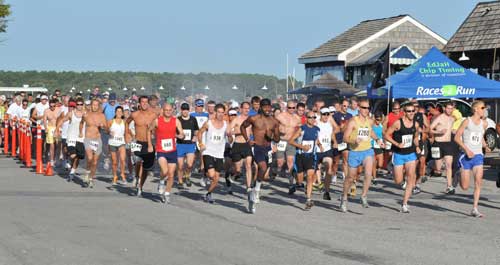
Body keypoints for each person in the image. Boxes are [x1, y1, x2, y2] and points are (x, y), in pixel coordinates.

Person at [341, 98, 382, 212]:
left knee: (368, 173)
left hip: (367, 150)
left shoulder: (370, 121)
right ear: (359, 108)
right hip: (354, 152)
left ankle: (363, 196)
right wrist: (354, 140)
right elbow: (345, 137)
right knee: (350, 178)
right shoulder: (353, 121)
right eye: (364, 108)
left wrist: (378, 140)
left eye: (368, 108)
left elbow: (370, 132)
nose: (366, 110)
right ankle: (344, 198)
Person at [241, 98, 280, 214]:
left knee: (264, 172)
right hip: (257, 147)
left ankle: (253, 193)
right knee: (262, 167)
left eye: (269, 107)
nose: (268, 109)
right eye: (265, 107)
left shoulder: (274, 122)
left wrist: (271, 136)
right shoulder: (254, 118)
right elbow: (242, 127)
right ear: (261, 108)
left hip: (267, 149)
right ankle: (256, 190)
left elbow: (278, 139)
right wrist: (248, 139)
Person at [454, 100, 489, 217]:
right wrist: (466, 150)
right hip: (465, 156)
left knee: (478, 182)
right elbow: (457, 138)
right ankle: (458, 175)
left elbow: (480, 137)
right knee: (464, 187)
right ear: (476, 109)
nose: (485, 110)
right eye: (483, 108)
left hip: (478, 155)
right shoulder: (466, 121)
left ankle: (475, 208)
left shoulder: (484, 124)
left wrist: (485, 145)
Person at [385, 102, 421, 213]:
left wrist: (417, 146)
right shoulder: (398, 123)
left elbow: (415, 137)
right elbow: (386, 135)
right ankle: (396, 174)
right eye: (409, 111)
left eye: (413, 111)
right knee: (398, 180)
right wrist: (396, 144)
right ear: (404, 112)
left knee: (411, 178)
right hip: (399, 154)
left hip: (410, 154)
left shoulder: (416, 124)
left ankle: (405, 203)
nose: (411, 113)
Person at [148, 103, 185, 203]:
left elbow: (182, 133)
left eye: (170, 110)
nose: (168, 112)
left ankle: (167, 193)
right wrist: (150, 145)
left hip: (172, 151)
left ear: (172, 110)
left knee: (171, 174)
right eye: (166, 110)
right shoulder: (157, 121)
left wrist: (180, 135)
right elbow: (149, 130)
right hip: (161, 150)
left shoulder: (176, 121)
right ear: (162, 111)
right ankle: (161, 182)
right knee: (165, 172)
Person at [289, 111, 322, 210]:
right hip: (300, 156)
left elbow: (316, 139)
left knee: (310, 176)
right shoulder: (302, 129)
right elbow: (290, 141)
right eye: (310, 117)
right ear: (306, 118)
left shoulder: (317, 129)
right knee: (300, 180)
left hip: (311, 156)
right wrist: (301, 147)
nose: (312, 119)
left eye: (314, 117)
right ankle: (297, 182)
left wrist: (320, 145)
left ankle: (308, 199)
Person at [125, 96, 158, 196]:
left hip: (148, 143)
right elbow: (126, 122)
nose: (144, 104)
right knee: (137, 162)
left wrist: (155, 135)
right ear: (139, 103)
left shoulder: (153, 115)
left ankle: (140, 187)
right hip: (137, 141)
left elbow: (158, 127)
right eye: (142, 102)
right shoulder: (135, 114)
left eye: (146, 102)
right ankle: (136, 176)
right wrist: (127, 134)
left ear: (148, 103)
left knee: (146, 167)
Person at [197, 103, 229, 203]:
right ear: (215, 112)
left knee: (216, 178)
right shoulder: (209, 123)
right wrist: (201, 143)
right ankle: (205, 175)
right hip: (208, 152)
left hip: (219, 153)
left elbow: (230, 139)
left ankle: (208, 193)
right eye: (218, 112)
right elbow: (200, 132)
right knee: (211, 175)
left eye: (222, 112)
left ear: (224, 113)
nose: (220, 114)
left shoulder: (226, 125)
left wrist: (230, 136)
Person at [275, 100, 302, 194]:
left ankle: (291, 184)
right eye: (289, 108)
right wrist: (279, 130)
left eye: (293, 108)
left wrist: (298, 135)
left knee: (290, 162)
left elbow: (300, 129)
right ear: (287, 108)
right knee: (280, 163)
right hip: (281, 141)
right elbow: (273, 126)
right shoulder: (280, 116)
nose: (291, 109)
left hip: (291, 142)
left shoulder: (297, 118)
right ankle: (278, 168)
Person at [79, 99, 107, 188]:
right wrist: (80, 132)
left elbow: (107, 129)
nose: (94, 106)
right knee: (90, 158)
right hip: (88, 139)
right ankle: (87, 173)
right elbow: (81, 122)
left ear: (98, 106)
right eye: (93, 105)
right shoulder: (86, 114)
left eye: (96, 105)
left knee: (95, 162)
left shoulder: (102, 116)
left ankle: (91, 178)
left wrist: (103, 126)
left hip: (97, 140)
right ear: (90, 105)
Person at [56, 97, 85, 182]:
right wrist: (57, 129)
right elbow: (62, 120)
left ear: (83, 105)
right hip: (71, 138)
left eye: (81, 104)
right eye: (78, 104)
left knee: (78, 157)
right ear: (76, 105)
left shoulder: (85, 114)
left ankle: (72, 172)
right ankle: (69, 162)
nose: (79, 106)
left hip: (80, 139)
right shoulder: (71, 113)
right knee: (73, 155)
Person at [227, 101, 254, 191]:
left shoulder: (251, 119)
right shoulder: (236, 119)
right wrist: (238, 132)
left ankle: (249, 187)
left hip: (247, 144)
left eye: (248, 108)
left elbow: (254, 131)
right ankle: (232, 174)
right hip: (237, 145)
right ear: (241, 109)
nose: (247, 110)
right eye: (245, 108)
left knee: (248, 166)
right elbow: (228, 131)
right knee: (238, 169)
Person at [430, 101, 455, 194]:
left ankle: (449, 186)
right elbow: (430, 128)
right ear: (444, 108)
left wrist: (453, 131)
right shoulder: (439, 118)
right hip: (438, 143)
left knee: (449, 165)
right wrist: (439, 132)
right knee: (438, 169)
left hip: (448, 144)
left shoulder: (452, 119)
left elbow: (450, 129)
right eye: (448, 108)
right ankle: (429, 167)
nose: (450, 110)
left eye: (451, 108)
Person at [315, 107, 338, 200]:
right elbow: (314, 135)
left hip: (327, 150)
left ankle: (327, 191)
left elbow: (332, 134)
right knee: (314, 170)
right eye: (324, 114)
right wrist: (319, 144)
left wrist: (335, 142)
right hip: (317, 150)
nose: (326, 116)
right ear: (320, 114)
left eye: (328, 114)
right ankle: (315, 184)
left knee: (329, 168)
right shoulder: (316, 123)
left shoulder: (329, 124)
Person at [176, 102, 199, 188]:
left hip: (190, 145)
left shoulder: (193, 119)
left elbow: (197, 130)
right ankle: (180, 181)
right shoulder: (178, 119)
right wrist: (178, 136)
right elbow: (173, 132)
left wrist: (195, 136)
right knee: (180, 165)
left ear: (189, 110)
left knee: (189, 164)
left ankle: (187, 176)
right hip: (180, 144)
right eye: (183, 110)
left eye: (186, 110)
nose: (185, 112)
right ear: (181, 110)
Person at [332, 99, 353, 188]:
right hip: (337, 140)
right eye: (344, 106)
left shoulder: (350, 116)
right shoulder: (336, 115)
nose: (346, 108)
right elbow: (333, 129)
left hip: (345, 140)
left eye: (347, 106)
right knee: (336, 161)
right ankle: (334, 175)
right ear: (341, 105)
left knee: (345, 160)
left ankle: (345, 176)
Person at [107, 106, 127, 185]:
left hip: (121, 143)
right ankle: (115, 176)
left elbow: (126, 132)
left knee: (122, 160)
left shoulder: (124, 122)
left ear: (122, 113)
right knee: (114, 162)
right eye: (117, 111)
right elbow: (106, 129)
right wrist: (109, 132)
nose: (119, 113)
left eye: (120, 111)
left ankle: (122, 174)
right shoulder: (111, 121)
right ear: (115, 112)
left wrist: (128, 140)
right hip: (112, 143)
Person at [43, 99, 61, 166]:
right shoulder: (46, 111)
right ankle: (51, 160)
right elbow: (44, 120)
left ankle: (56, 158)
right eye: (51, 106)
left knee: (58, 144)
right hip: (50, 128)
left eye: (53, 106)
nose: (52, 107)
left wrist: (59, 128)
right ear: (49, 105)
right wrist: (45, 128)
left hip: (57, 127)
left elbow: (61, 119)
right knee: (52, 145)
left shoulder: (58, 110)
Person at [371, 111, 385, 184]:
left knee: (380, 164)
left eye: (379, 120)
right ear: (374, 119)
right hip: (372, 146)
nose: (378, 121)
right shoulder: (371, 125)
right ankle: (374, 178)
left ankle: (374, 171)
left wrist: (384, 143)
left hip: (379, 146)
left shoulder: (381, 126)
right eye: (377, 120)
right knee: (374, 163)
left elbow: (383, 135)